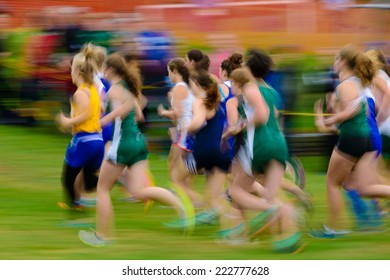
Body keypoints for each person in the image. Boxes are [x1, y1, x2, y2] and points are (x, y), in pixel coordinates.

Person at [78, 53, 189, 247]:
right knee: (139, 191)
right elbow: (138, 114)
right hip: (138, 141)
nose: (103, 71)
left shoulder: (114, 89)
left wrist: (103, 120)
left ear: (111, 70)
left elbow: (123, 110)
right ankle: (179, 205)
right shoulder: (131, 87)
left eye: (105, 68)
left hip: (122, 144)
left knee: (102, 189)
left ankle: (102, 236)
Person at [311, 45, 390, 237]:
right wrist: (326, 119)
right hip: (368, 140)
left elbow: (353, 111)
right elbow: (354, 115)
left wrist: (329, 118)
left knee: (332, 183)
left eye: (336, 60)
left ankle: (334, 228)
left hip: (354, 138)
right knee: (364, 189)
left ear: (343, 62)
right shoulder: (364, 85)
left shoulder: (345, 86)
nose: (334, 64)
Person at [56, 45, 104, 211]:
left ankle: (75, 208)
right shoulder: (93, 90)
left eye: (71, 69)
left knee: (67, 178)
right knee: (89, 181)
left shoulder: (81, 92)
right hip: (97, 140)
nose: (69, 72)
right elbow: (98, 111)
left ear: (77, 72)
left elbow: (85, 115)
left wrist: (66, 121)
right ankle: (114, 178)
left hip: (84, 140)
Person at [158, 58, 203, 206]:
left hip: (185, 133)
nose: (168, 75)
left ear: (175, 71)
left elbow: (177, 113)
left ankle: (194, 200)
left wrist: (164, 112)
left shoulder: (178, 88)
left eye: (169, 72)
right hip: (186, 131)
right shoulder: (186, 86)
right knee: (179, 167)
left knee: (175, 167)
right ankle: (186, 197)